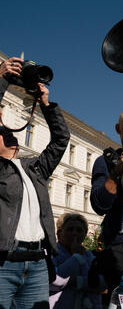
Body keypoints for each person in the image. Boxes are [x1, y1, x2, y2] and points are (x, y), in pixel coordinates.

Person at [0, 57, 70, 309]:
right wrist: (3, 81)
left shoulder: (35, 168)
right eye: (2, 131)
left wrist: (46, 104)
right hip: (4, 264)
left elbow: (61, 140)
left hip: (38, 264)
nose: (8, 133)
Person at [89, 109, 123, 296]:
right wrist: (117, 171)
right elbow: (99, 205)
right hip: (119, 250)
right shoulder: (105, 161)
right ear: (118, 129)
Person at [49, 213, 106, 309]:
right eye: (70, 229)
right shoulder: (52, 253)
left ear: (85, 234)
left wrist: (78, 282)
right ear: (59, 233)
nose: (75, 233)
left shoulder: (90, 256)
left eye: (80, 230)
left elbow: (101, 284)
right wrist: (76, 257)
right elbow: (55, 281)